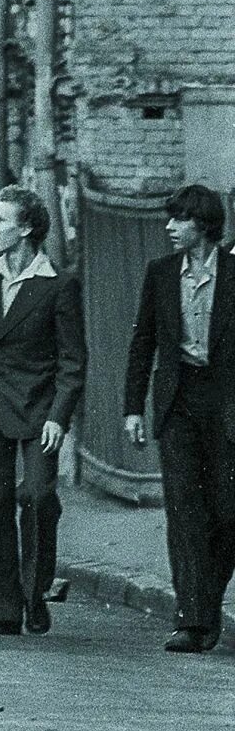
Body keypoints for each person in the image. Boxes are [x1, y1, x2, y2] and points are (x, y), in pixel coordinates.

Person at [0, 184, 85, 636]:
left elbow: (73, 361)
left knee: (38, 497)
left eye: (0, 220)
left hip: (40, 408)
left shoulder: (58, 284)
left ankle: (34, 594)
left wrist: (59, 414)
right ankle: (2, 608)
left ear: (27, 229)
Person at [124, 185, 231, 654]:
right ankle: (193, 620)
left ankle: (204, 601)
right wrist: (132, 407)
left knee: (228, 511)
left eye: (179, 220)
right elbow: (142, 341)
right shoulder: (161, 273)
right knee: (184, 510)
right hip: (177, 400)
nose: (169, 228)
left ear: (204, 224)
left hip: (226, 400)